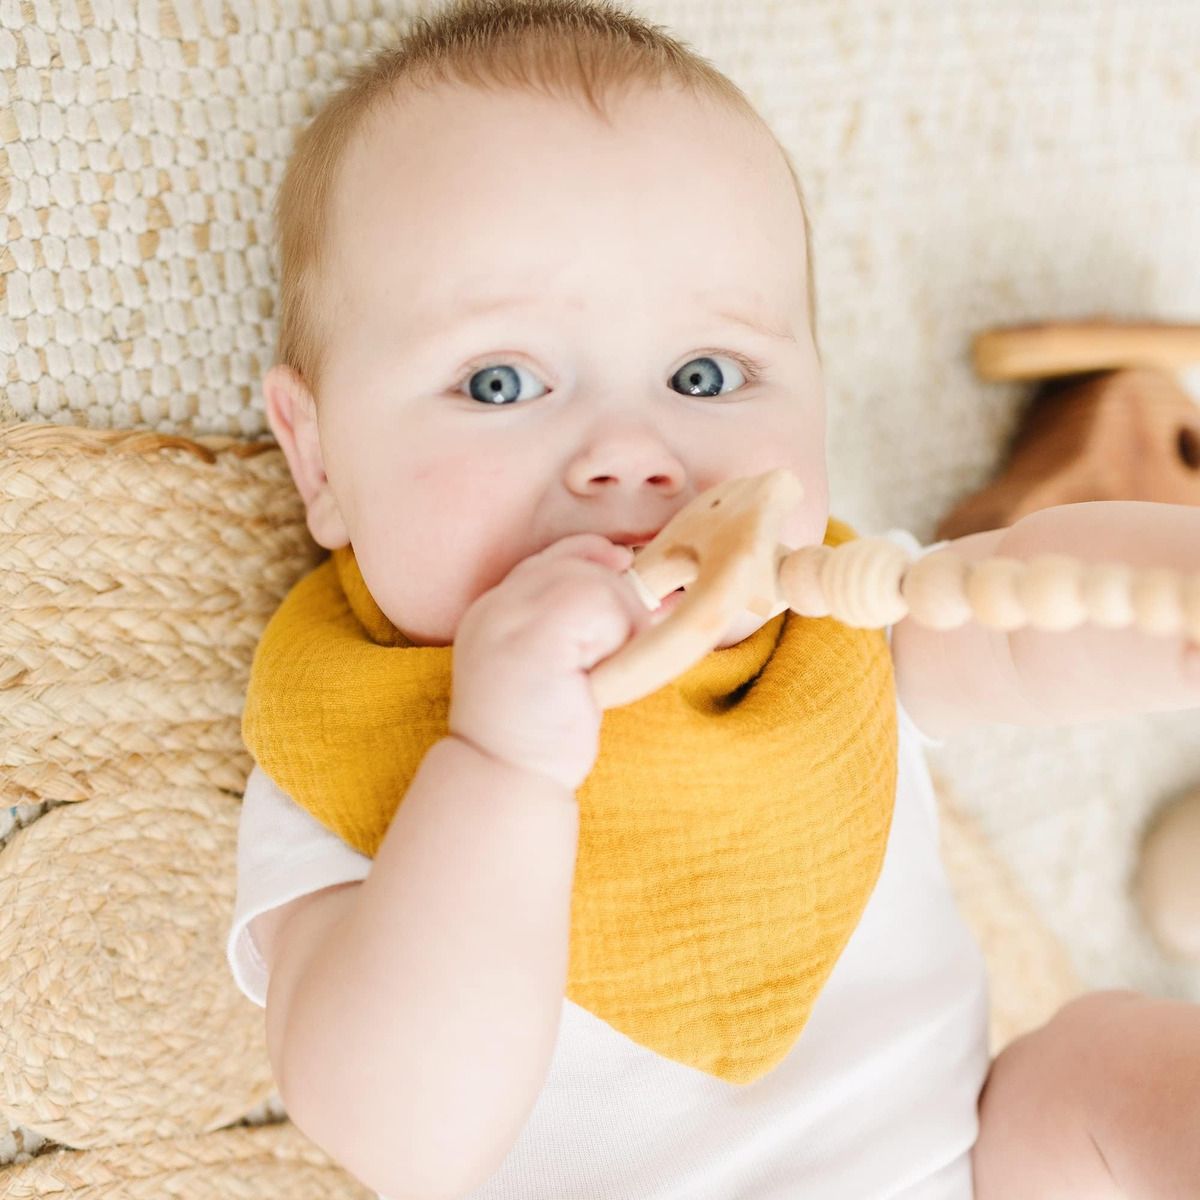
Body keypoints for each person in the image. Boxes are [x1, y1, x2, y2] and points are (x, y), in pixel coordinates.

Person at [224, 1, 1200, 1196]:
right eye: (499, 382)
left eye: (703, 374)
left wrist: (1175, 603)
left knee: (1104, 1069)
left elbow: (1026, 617)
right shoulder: (346, 749)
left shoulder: (827, 625)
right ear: (318, 459)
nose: (630, 455)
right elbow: (406, 1134)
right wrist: (502, 762)